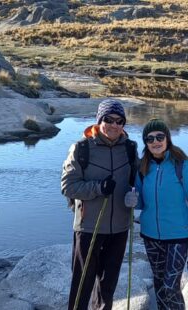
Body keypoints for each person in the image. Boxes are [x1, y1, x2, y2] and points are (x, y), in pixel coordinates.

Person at [61, 99, 138, 310]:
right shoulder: (81, 148)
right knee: (82, 285)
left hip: (120, 229)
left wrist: (135, 196)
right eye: (108, 119)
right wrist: (98, 188)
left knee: (107, 287)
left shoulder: (130, 149)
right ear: (99, 120)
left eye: (119, 120)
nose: (114, 125)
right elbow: (68, 187)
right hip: (88, 227)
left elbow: (138, 181)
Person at [127, 118, 188, 310]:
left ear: (167, 138)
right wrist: (131, 201)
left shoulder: (184, 165)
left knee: (171, 286)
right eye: (150, 138)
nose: (155, 141)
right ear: (146, 143)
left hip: (178, 237)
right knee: (160, 285)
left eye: (159, 136)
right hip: (150, 235)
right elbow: (142, 202)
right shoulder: (143, 168)